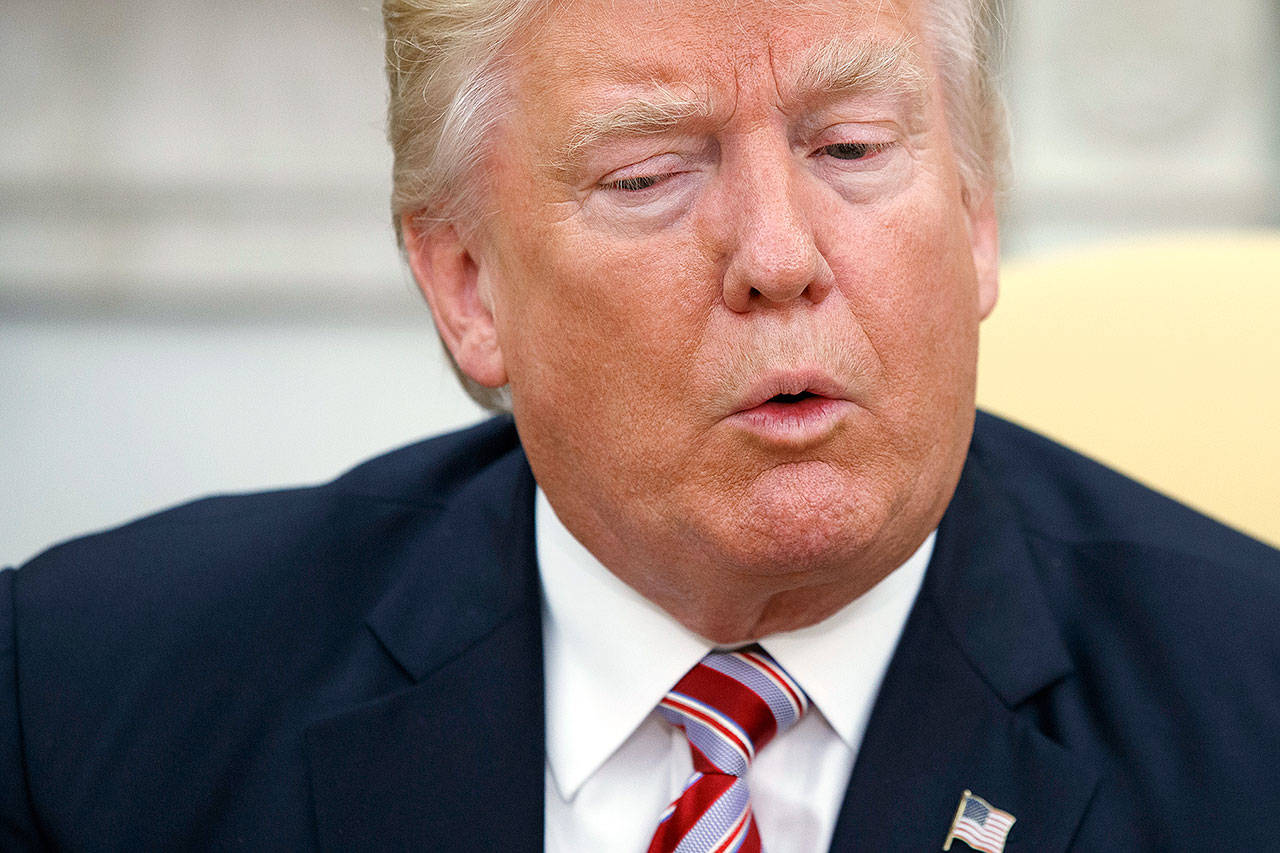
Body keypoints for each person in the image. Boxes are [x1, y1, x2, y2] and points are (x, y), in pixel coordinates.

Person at [4, 0, 1278, 849]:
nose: (779, 258)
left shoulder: (1247, 716)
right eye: (648, 175)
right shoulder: (85, 697)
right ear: (466, 284)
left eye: (848, 146)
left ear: (974, 213)